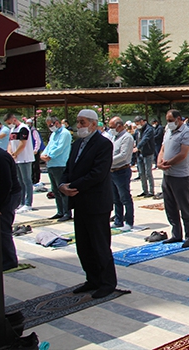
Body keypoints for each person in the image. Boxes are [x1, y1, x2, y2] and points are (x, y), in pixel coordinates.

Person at [59, 109, 117, 299]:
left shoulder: (103, 144)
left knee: (99, 245)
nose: (79, 126)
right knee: (83, 245)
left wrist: (73, 186)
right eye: (78, 122)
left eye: (83, 122)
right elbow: (69, 168)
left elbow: (97, 174)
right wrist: (62, 185)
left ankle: (107, 282)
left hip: (96, 202)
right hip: (80, 202)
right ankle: (92, 279)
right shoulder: (77, 144)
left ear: (93, 124)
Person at [157, 109, 189, 248]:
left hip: (180, 176)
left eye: (171, 120)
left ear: (179, 119)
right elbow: (162, 148)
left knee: (184, 207)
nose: (169, 123)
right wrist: (159, 162)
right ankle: (176, 234)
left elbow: (184, 153)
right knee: (170, 207)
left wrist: (168, 163)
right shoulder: (168, 131)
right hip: (167, 175)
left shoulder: (186, 132)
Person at [41, 116, 72, 222]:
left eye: (51, 125)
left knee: (63, 189)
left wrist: (49, 156)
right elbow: (49, 146)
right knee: (55, 190)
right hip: (51, 165)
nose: (50, 127)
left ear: (57, 123)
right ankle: (60, 211)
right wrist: (43, 154)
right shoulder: (54, 134)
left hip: (60, 164)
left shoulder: (65, 133)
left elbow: (60, 148)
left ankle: (67, 212)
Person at [108, 117, 135, 231]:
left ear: (119, 126)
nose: (110, 130)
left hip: (121, 170)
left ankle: (129, 221)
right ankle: (118, 220)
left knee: (125, 197)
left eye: (112, 127)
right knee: (116, 198)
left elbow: (123, 155)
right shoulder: (114, 137)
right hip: (112, 171)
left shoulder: (127, 137)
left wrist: (108, 160)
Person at [4, 113, 34, 213]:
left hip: (24, 158)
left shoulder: (23, 128)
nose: (9, 125)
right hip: (16, 159)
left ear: (14, 119)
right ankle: (21, 202)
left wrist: (16, 153)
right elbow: (10, 143)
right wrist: (10, 153)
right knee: (19, 181)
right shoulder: (12, 130)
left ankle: (28, 203)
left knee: (27, 181)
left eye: (9, 122)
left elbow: (23, 143)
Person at [0, 148, 21, 271]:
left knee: (3, 228)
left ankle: (9, 260)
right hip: (4, 194)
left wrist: (0, 206)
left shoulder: (1, 157)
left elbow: (6, 184)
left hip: (10, 195)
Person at [134, 116, 155, 197]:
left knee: (148, 172)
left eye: (138, 123)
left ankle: (151, 191)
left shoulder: (149, 129)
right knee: (141, 173)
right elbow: (135, 137)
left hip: (147, 153)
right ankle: (145, 190)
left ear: (142, 121)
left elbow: (145, 139)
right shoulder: (138, 130)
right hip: (139, 154)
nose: (137, 125)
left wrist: (138, 147)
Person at [26, 119, 44, 185]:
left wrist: (36, 149)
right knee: (31, 166)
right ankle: (32, 179)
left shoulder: (34, 131)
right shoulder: (28, 130)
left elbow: (37, 140)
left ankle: (36, 180)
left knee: (35, 166)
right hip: (29, 151)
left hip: (34, 151)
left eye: (28, 123)